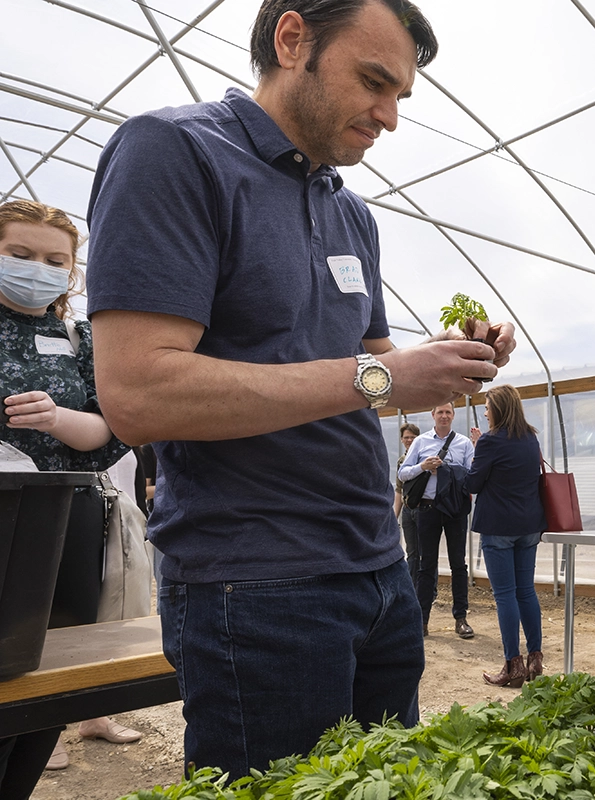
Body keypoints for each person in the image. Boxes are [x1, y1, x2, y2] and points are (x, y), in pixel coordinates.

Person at [84, 0, 516, 778]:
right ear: (292, 39)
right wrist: (381, 374)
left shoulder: (349, 210)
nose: (388, 117)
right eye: (373, 82)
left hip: (377, 568)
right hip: (257, 583)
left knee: (391, 788)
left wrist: (448, 360)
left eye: (400, 97)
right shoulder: (174, 153)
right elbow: (138, 393)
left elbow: (378, 374)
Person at [0, 199, 139, 792]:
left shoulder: (79, 337)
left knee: (55, 666)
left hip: (65, 514)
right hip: (4, 511)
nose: (39, 268)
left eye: (56, 260)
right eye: (20, 255)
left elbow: (104, 430)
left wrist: (58, 418)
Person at [463, 384, 547, 687]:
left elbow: (473, 483)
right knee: (526, 590)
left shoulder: (489, 441)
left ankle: (513, 665)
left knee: (505, 595)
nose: (485, 413)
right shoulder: (529, 438)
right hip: (529, 526)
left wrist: (476, 450)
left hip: (498, 527)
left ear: (497, 409)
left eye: (487, 407)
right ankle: (535, 657)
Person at [397, 402, 476, 638]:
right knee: (426, 565)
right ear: (432, 415)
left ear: (453, 415)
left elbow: (472, 477)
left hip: (454, 510)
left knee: (458, 564)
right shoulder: (421, 442)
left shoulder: (463, 443)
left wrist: (445, 471)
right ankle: (421, 621)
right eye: (440, 412)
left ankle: (460, 618)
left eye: (448, 412)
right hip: (427, 508)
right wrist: (423, 466)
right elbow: (403, 473)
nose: (444, 416)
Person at [393, 422, 421, 583]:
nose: (409, 440)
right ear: (402, 440)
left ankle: (429, 590)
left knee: (426, 551)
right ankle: (412, 587)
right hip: (408, 510)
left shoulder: (425, 457)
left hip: (424, 509)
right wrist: (394, 516)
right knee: (411, 551)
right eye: (406, 437)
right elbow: (399, 490)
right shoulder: (401, 461)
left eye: (412, 437)